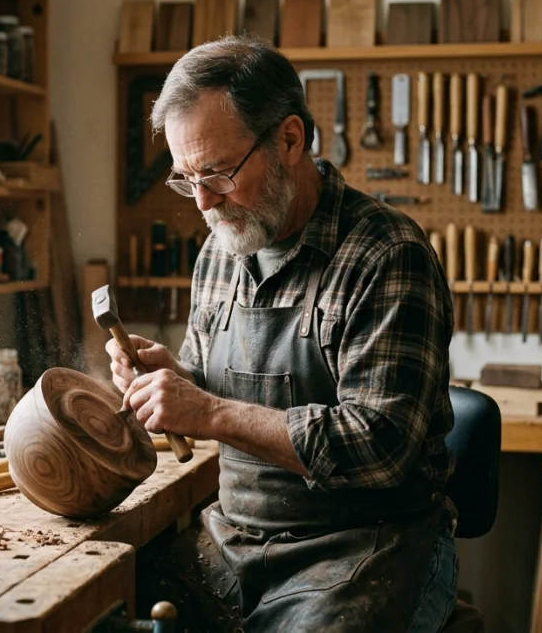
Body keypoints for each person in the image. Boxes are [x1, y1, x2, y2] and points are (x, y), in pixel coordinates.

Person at [106, 35, 459, 632]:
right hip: (236, 540)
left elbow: (380, 445)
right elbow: (207, 392)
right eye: (184, 178)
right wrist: (171, 379)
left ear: (289, 139)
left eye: (217, 172)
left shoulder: (385, 253)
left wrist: (208, 411)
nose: (201, 201)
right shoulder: (220, 252)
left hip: (367, 548)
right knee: (108, 611)